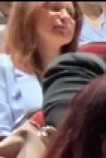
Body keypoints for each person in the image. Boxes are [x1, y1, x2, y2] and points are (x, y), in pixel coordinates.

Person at [1, 1, 77, 131]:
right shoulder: (3, 67)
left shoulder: (81, 72)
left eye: (71, 13)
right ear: (28, 14)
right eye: (55, 8)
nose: (65, 16)